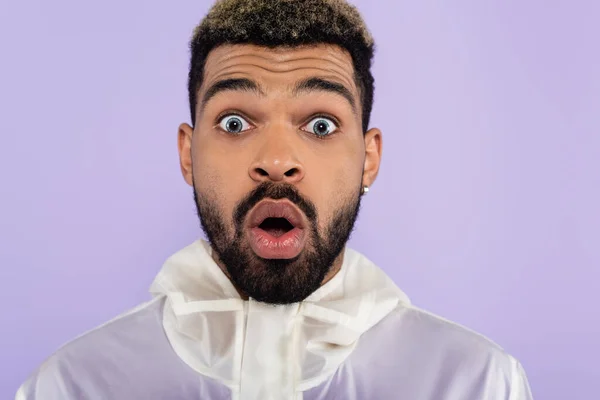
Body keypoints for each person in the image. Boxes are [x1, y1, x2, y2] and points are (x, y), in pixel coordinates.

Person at [16, 0, 533, 399]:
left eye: (322, 124)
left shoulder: (475, 383)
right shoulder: (74, 386)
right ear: (188, 155)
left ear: (368, 159)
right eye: (235, 123)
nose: (278, 161)